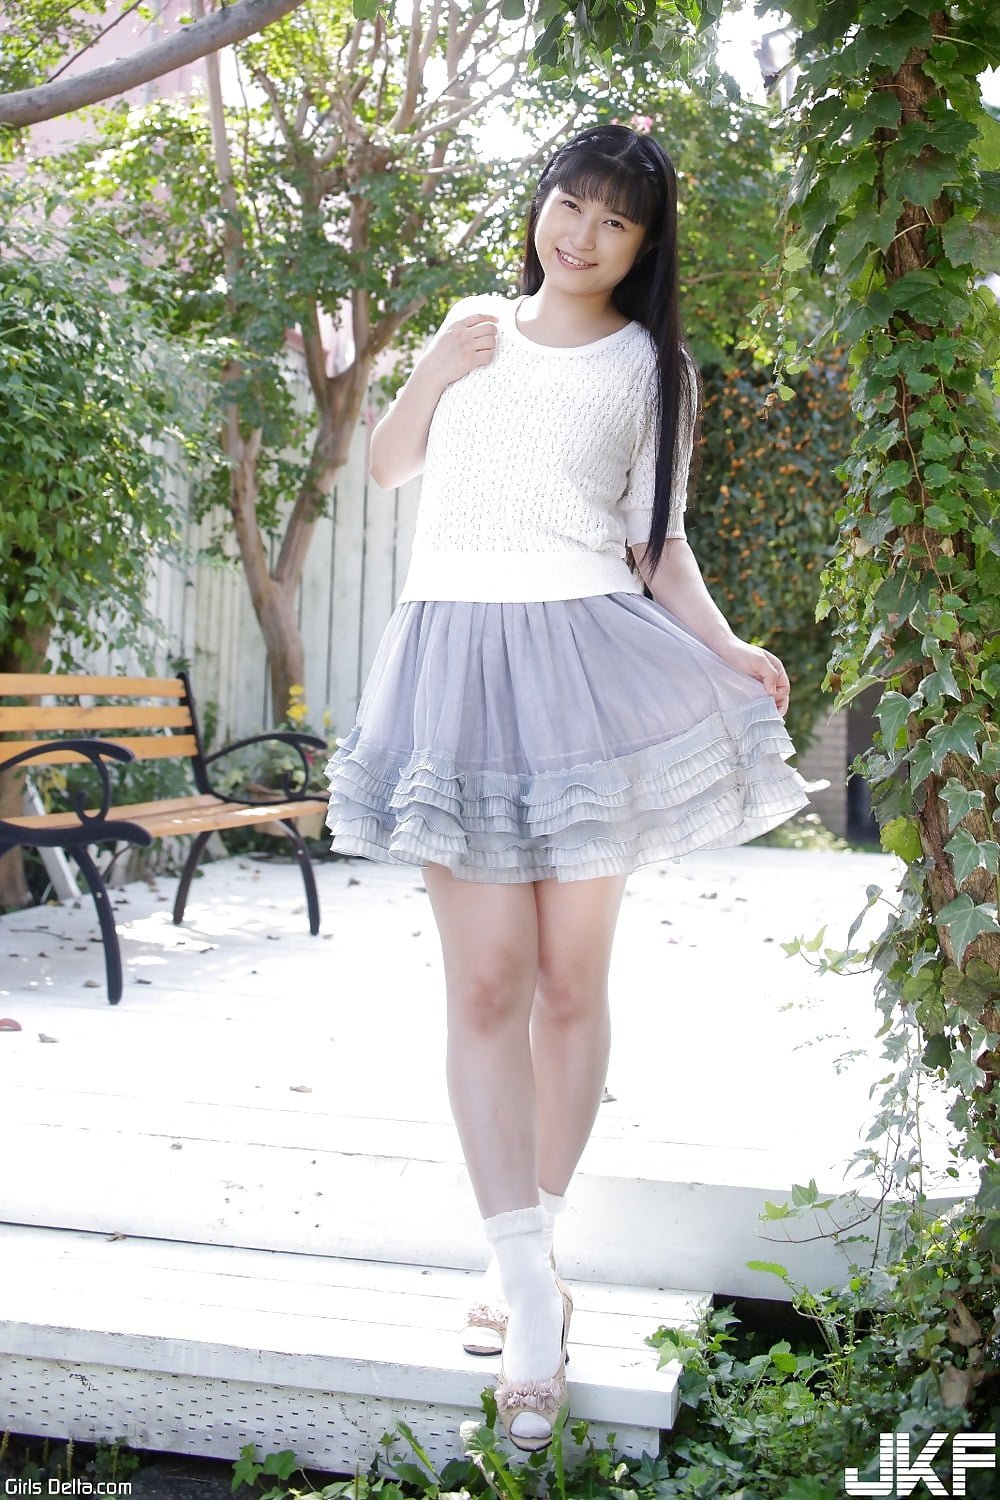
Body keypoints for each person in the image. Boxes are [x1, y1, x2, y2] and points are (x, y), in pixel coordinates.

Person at [324, 123, 811, 1452]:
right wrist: (437, 364)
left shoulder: (654, 367)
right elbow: (390, 467)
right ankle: (530, 1284)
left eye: (614, 220)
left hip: (587, 668)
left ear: (644, 245)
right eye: (568, 204)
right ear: (539, 204)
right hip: (453, 668)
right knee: (485, 984)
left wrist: (727, 650)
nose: (580, 235)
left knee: (567, 984)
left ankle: (527, 1247)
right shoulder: (473, 325)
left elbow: (659, 547)